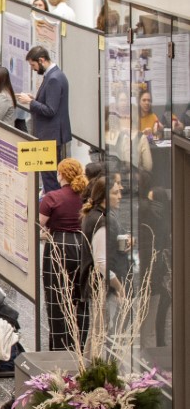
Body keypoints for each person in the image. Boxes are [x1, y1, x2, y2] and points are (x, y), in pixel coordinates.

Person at [39, 159, 88, 351]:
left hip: (58, 247)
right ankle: (80, 344)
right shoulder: (85, 197)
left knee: (57, 298)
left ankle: (60, 346)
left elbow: (39, 223)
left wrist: (44, 235)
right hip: (82, 247)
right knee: (81, 298)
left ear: (61, 175)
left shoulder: (52, 197)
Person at [17, 46, 71, 192]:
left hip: (49, 135)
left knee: (49, 176)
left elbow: (50, 110)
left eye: (33, 65)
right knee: (51, 174)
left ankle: (51, 205)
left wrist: (30, 102)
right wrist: (35, 99)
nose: (34, 69)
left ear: (41, 60)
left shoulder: (53, 78)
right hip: (51, 133)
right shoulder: (55, 75)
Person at [79, 177, 130, 324]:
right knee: (99, 332)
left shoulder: (94, 215)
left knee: (97, 332)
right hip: (100, 286)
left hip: (97, 285)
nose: (120, 197)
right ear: (104, 196)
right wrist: (119, 286)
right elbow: (101, 262)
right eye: (115, 193)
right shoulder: (101, 220)